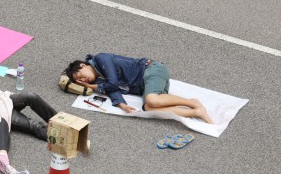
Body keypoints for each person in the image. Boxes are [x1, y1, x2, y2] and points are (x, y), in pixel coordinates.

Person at [65, 53, 214, 124]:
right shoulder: (99, 80)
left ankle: (192, 102)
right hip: (146, 85)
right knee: (149, 107)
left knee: (151, 100)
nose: (82, 80)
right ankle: (196, 111)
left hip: (152, 70)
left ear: (83, 65)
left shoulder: (101, 59)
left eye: (80, 76)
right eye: (79, 82)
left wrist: (92, 86)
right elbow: (112, 90)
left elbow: (113, 84)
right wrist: (122, 105)